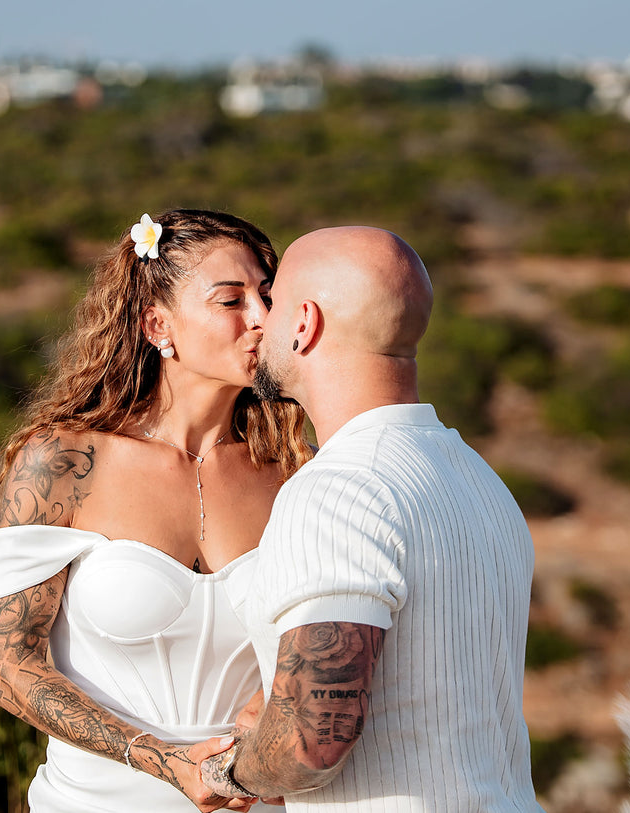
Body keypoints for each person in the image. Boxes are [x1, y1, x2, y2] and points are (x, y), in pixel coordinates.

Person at [0, 209, 312, 812]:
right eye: (230, 300)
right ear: (157, 326)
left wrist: (270, 702)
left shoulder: (293, 471)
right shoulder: (64, 463)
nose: (260, 319)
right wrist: (163, 761)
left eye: (267, 296)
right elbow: (10, 670)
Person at [200, 227, 545, 812]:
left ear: (304, 323)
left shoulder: (340, 488)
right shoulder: (478, 477)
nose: (259, 322)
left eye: (274, 302)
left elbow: (312, 741)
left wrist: (228, 772)